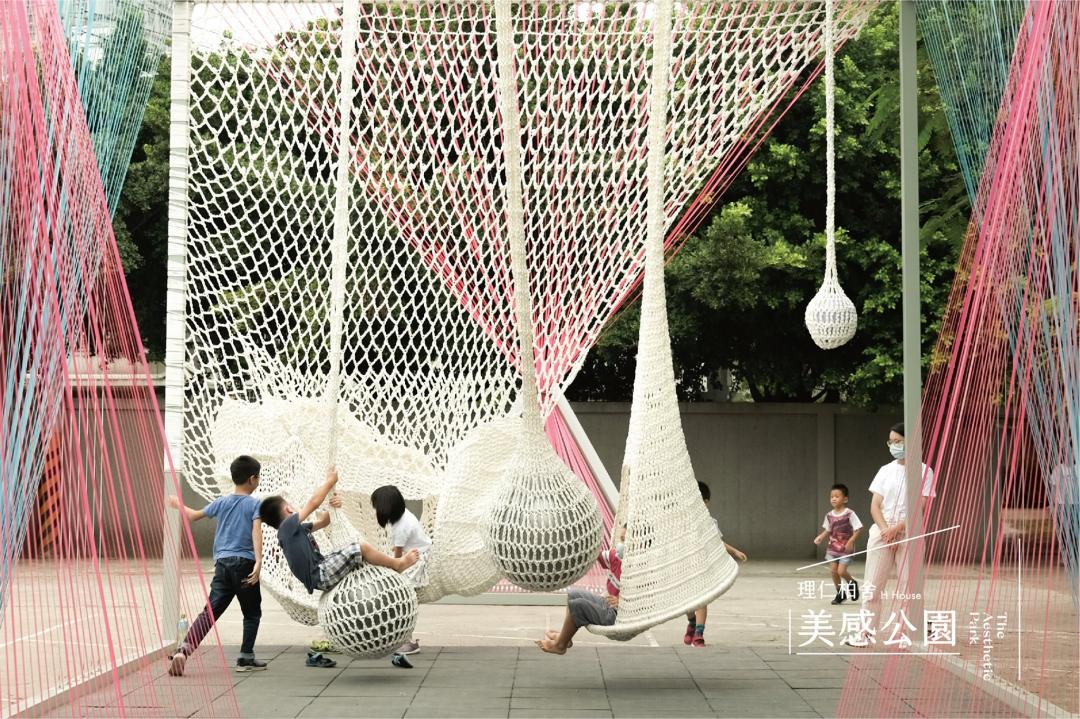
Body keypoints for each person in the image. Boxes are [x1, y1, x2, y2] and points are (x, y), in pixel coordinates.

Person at [258, 469, 419, 668]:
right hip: (321, 574)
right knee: (358, 548)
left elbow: (325, 521)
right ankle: (396, 564)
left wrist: (333, 507)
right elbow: (313, 503)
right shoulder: (286, 528)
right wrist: (330, 481)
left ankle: (388, 566)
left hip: (322, 568)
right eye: (291, 506)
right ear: (289, 511)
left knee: (354, 551)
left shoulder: (298, 529)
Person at [166, 455, 265, 676]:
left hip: (222, 564)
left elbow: (192, 516)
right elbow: (255, 531)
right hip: (244, 563)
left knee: (210, 611)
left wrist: (177, 504)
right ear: (252, 479)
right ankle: (245, 657)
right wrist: (258, 560)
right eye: (258, 478)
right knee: (251, 612)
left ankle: (184, 649)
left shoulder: (222, 501)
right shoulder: (254, 504)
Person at [846, 422, 935, 647]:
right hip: (882, 532)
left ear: (910, 442)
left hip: (909, 533)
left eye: (898, 441)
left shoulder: (925, 471)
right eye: (891, 442)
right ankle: (864, 634)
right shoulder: (885, 470)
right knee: (872, 586)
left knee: (909, 587)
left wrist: (898, 530)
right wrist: (886, 530)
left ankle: (906, 634)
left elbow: (921, 506)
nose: (893, 446)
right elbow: (875, 505)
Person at [537, 527, 626, 655]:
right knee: (573, 594)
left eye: (624, 540)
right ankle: (565, 638)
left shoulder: (638, 570)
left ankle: (560, 645)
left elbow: (641, 598)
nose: (620, 544)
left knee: (578, 605)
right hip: (607, 603)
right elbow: (596, 554)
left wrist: (622, 602)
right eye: (620, 539)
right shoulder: (616, 557)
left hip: (618, 615)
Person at [683, 481, 747, 647]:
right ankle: (691, 622)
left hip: (703, 567)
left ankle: (699, 633)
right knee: (688, 603)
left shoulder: (710, 522)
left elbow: (717, 542)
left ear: (706, 503)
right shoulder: (684, 522)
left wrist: (734, 552)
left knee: (702, 599)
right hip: (686, 567)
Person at [371, 485, 431, 656]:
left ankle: (409, 642)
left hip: (417, 559)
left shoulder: (400, 527)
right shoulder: (404, 516)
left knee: (401, 597)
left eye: (376, 507)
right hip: (419, 552)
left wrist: (392, 575)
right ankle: (402, 638)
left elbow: (397, 561)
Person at [813, 483, 862, 605]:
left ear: (845, 499)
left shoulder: (849, 513)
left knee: (841, 572)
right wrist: (821, 536)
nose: (834, 498)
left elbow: (858, 528)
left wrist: (851, 541)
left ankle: (852, 583)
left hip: (845, 549)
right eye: (832, 496)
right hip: (832, 548)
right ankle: (840, 593)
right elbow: (828, 529)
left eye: (837, 496)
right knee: (833, 571)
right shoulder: (829, 515)